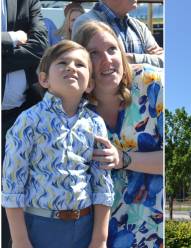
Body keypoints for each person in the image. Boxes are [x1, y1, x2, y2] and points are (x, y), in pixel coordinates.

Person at [2, 40, 115, 248]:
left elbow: (102, 184)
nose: (71, 67)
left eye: (80, 65)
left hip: (85, 227)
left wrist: (100, 238)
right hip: (39, 227)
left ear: (89, 84)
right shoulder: (29, 121)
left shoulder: (95, 123)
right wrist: (19, 239)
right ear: (44, 79)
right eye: (62, 62)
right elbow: (12, 185)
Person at [74, 21, 163, 247]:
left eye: (112, 49)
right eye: (94, 53)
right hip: (101, 233)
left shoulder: (153, 85)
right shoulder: (72, 106)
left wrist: (124, 159)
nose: (107, 60)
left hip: (155, 228)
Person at [1, 0, 48, 246]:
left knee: (16, 194)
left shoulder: (27, 1)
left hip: (20, 114)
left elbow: (40, 46)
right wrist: (10, 38)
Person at [72, 0, 163, 68]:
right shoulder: (85, 23)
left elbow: (163, 62)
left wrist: (132, 58)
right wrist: (147, 59)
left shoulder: (139, 26)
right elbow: (87, 66)